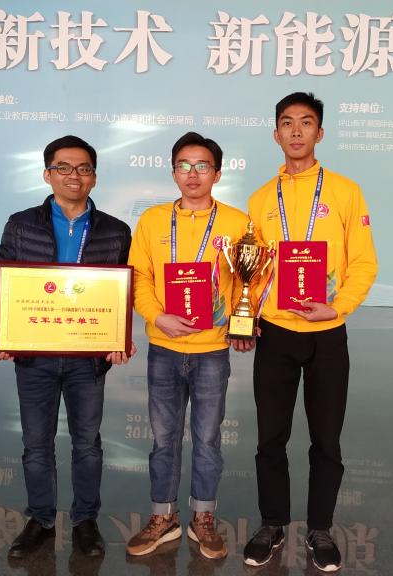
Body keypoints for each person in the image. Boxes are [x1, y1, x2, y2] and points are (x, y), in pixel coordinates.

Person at [242, 93, 378, 572]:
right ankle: (272, 524)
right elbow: (252, 270)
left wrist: (338, 307)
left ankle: (320, 528)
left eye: (306, 122)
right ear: (275, 133)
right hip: (276, 333)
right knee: (269, 439)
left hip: (327, 333)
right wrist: (247, 316)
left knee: (326, 440)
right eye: (287, 122)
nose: (296, 131)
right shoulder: (261, 199)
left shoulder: (345, 191)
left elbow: (364, 262)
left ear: (320, 133)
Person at [0, 135, 134, 559]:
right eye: (63, 168)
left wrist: (119, 338)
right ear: (47, 174)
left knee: (87, 444)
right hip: (35, 355)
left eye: (83, 168)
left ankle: (85, 521)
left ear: (94, 177)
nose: (74, 176)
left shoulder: (115, 230)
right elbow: (0, 278)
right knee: (36, 445)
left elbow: (122, 292)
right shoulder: (21, 224)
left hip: (89, 359)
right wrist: (0, 329)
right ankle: (41, 519)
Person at [125, 132, 251, 560]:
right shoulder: (153, 220)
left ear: (217, 173)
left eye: (202, 166)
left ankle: (203, 517)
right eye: (184, 165)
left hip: (212, 349)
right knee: (164, 439)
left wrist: (244, 323)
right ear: (173, 171)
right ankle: (163, 516)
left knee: (208, 439)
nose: (192, 174)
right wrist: (156, 316)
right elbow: (139, 275)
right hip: (164, 346)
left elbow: (248, 282)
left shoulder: (237, 223)